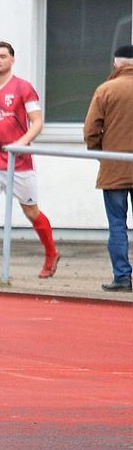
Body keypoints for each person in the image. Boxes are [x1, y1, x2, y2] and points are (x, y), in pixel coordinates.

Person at [0, 41, 59, 279]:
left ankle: (51, 253)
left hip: (19, 161)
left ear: (12, 60)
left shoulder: (23, 88)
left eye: (2, 56)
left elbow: (37, 122)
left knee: (31, 211)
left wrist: (21, 143)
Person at [83, 44, 133, 293]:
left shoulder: (106, 90)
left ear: (116, 64)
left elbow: (91, 130)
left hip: (114, 168)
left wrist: (101, 152)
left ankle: (122, 277)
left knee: (117, 224)